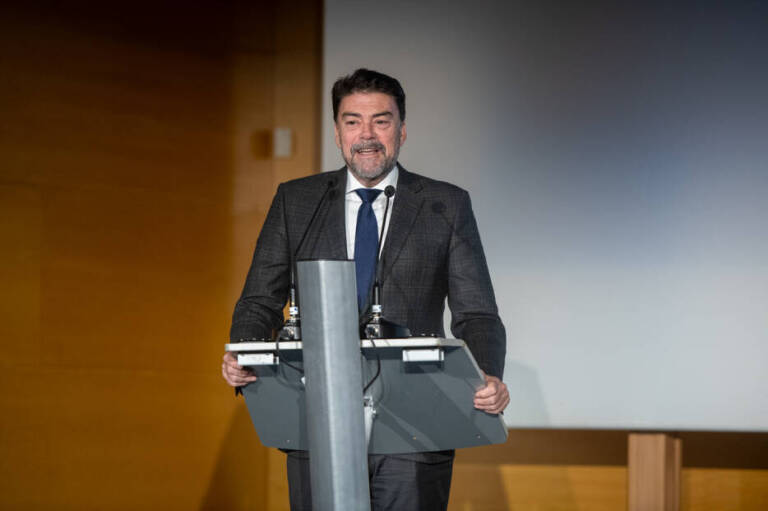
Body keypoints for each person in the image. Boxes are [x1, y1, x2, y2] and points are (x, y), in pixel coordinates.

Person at [222, 68, 508, 511]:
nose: (366, 134)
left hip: (416, 420)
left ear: (402, 130)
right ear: (337, 133)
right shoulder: (297, 201)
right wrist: (246, 351)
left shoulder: (444, 204)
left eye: (381, 120)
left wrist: (486, 373)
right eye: (352, 121)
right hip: (316, 413)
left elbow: (477, 313)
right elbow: (260, 298)